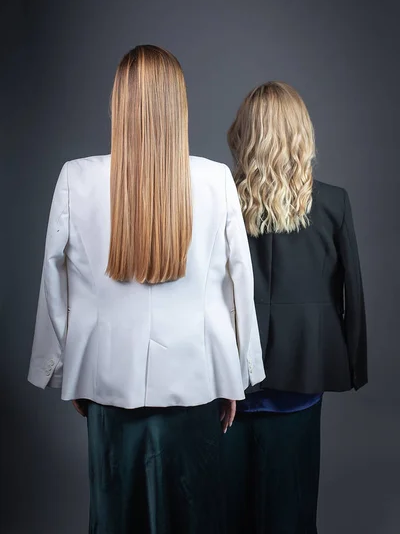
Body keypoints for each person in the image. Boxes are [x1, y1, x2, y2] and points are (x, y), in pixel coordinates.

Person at [28, 45, 265, 534]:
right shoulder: (216, 180)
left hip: (105, 379)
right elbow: (240, 280)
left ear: (119, 101)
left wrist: (64, 367)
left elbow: (54, 277)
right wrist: (237, 372)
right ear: (177, 104)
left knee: (116, 518)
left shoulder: (77, 178)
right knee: (194, 518)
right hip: (197, 378)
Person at [224, 81, 368, 534]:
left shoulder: (218, 198)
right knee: (293, 511)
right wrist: (352, 363)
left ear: (243, 134)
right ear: (301, 132)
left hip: (228, 379)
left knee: (227, 512)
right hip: (303, 376)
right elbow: (353, 291)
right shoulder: (331, 202)